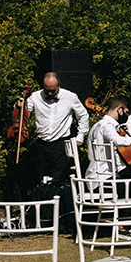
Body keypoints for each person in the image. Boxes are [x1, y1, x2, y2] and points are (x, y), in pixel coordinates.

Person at [20, 72, 89, 212]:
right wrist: (21, 106)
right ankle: (42, 214)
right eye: (47, 90)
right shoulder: (35, 96)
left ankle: (59, 214)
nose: (50, 93)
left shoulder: (70, 97)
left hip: (60, 143)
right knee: (40, 179)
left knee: (57, 181)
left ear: (59, 85)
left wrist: (80, 137)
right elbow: (25, 114)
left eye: (53, 90)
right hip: (41, 143)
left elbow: (83, 116)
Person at [84, 98, 131, 184]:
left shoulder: (98, 125)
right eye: (126, 112)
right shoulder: (106, 125)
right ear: (119, 109)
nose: (126, 116)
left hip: (99, 177)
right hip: (103, 179)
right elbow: (118, 141)